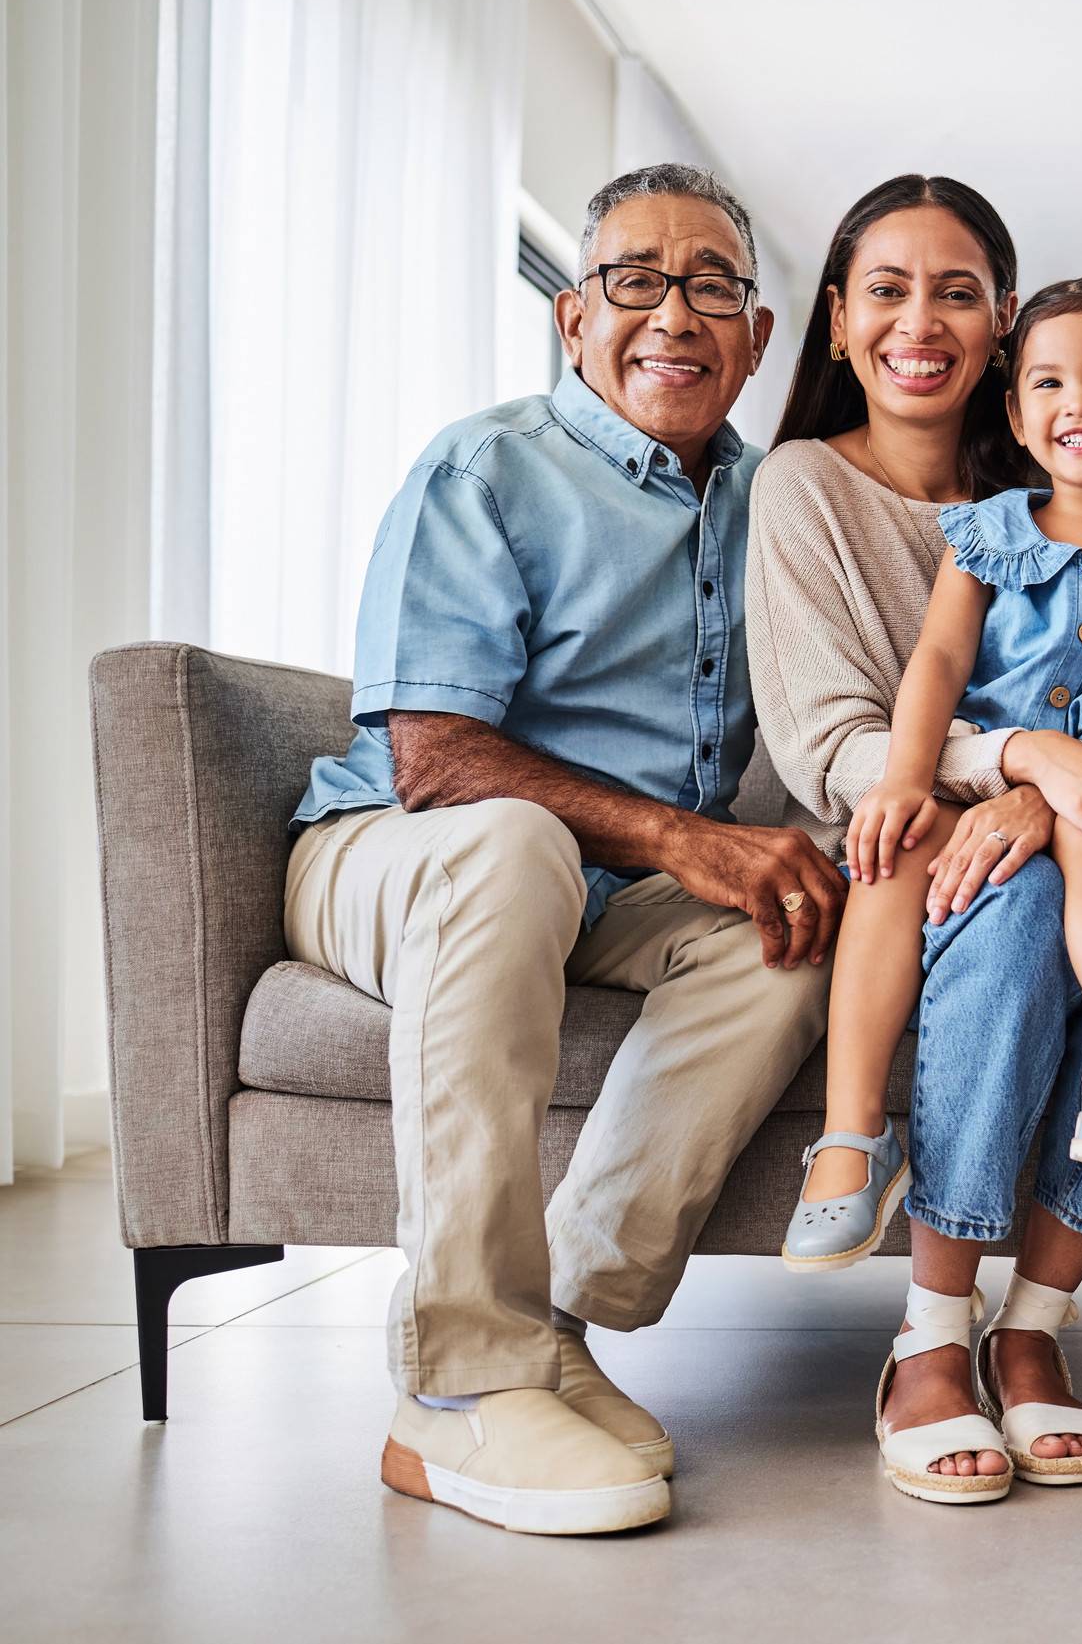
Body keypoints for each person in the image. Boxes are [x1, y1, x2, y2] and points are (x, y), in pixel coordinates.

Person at [286, 164, 839, 1535]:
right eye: (636, 280)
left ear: (758, 336)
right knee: (514, 842)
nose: (675, 314)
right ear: (574, 317)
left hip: (600, 887)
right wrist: (683, 837)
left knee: (793, 933)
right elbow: (436, 762)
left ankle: (557, 1330)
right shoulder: (489, 467)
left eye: (712, 284)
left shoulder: (781, 505)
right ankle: (456, 1384)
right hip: (395, 852)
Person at [749, 182, 1082, 1504]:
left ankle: (1037, 1326)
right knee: (1006, 922)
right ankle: (932, 1334)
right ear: (839, 321)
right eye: (887, 289)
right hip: (932, 833)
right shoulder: (854, 499)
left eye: (956, 289)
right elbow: (876, 720)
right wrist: (1018, 767)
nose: (921, 320)